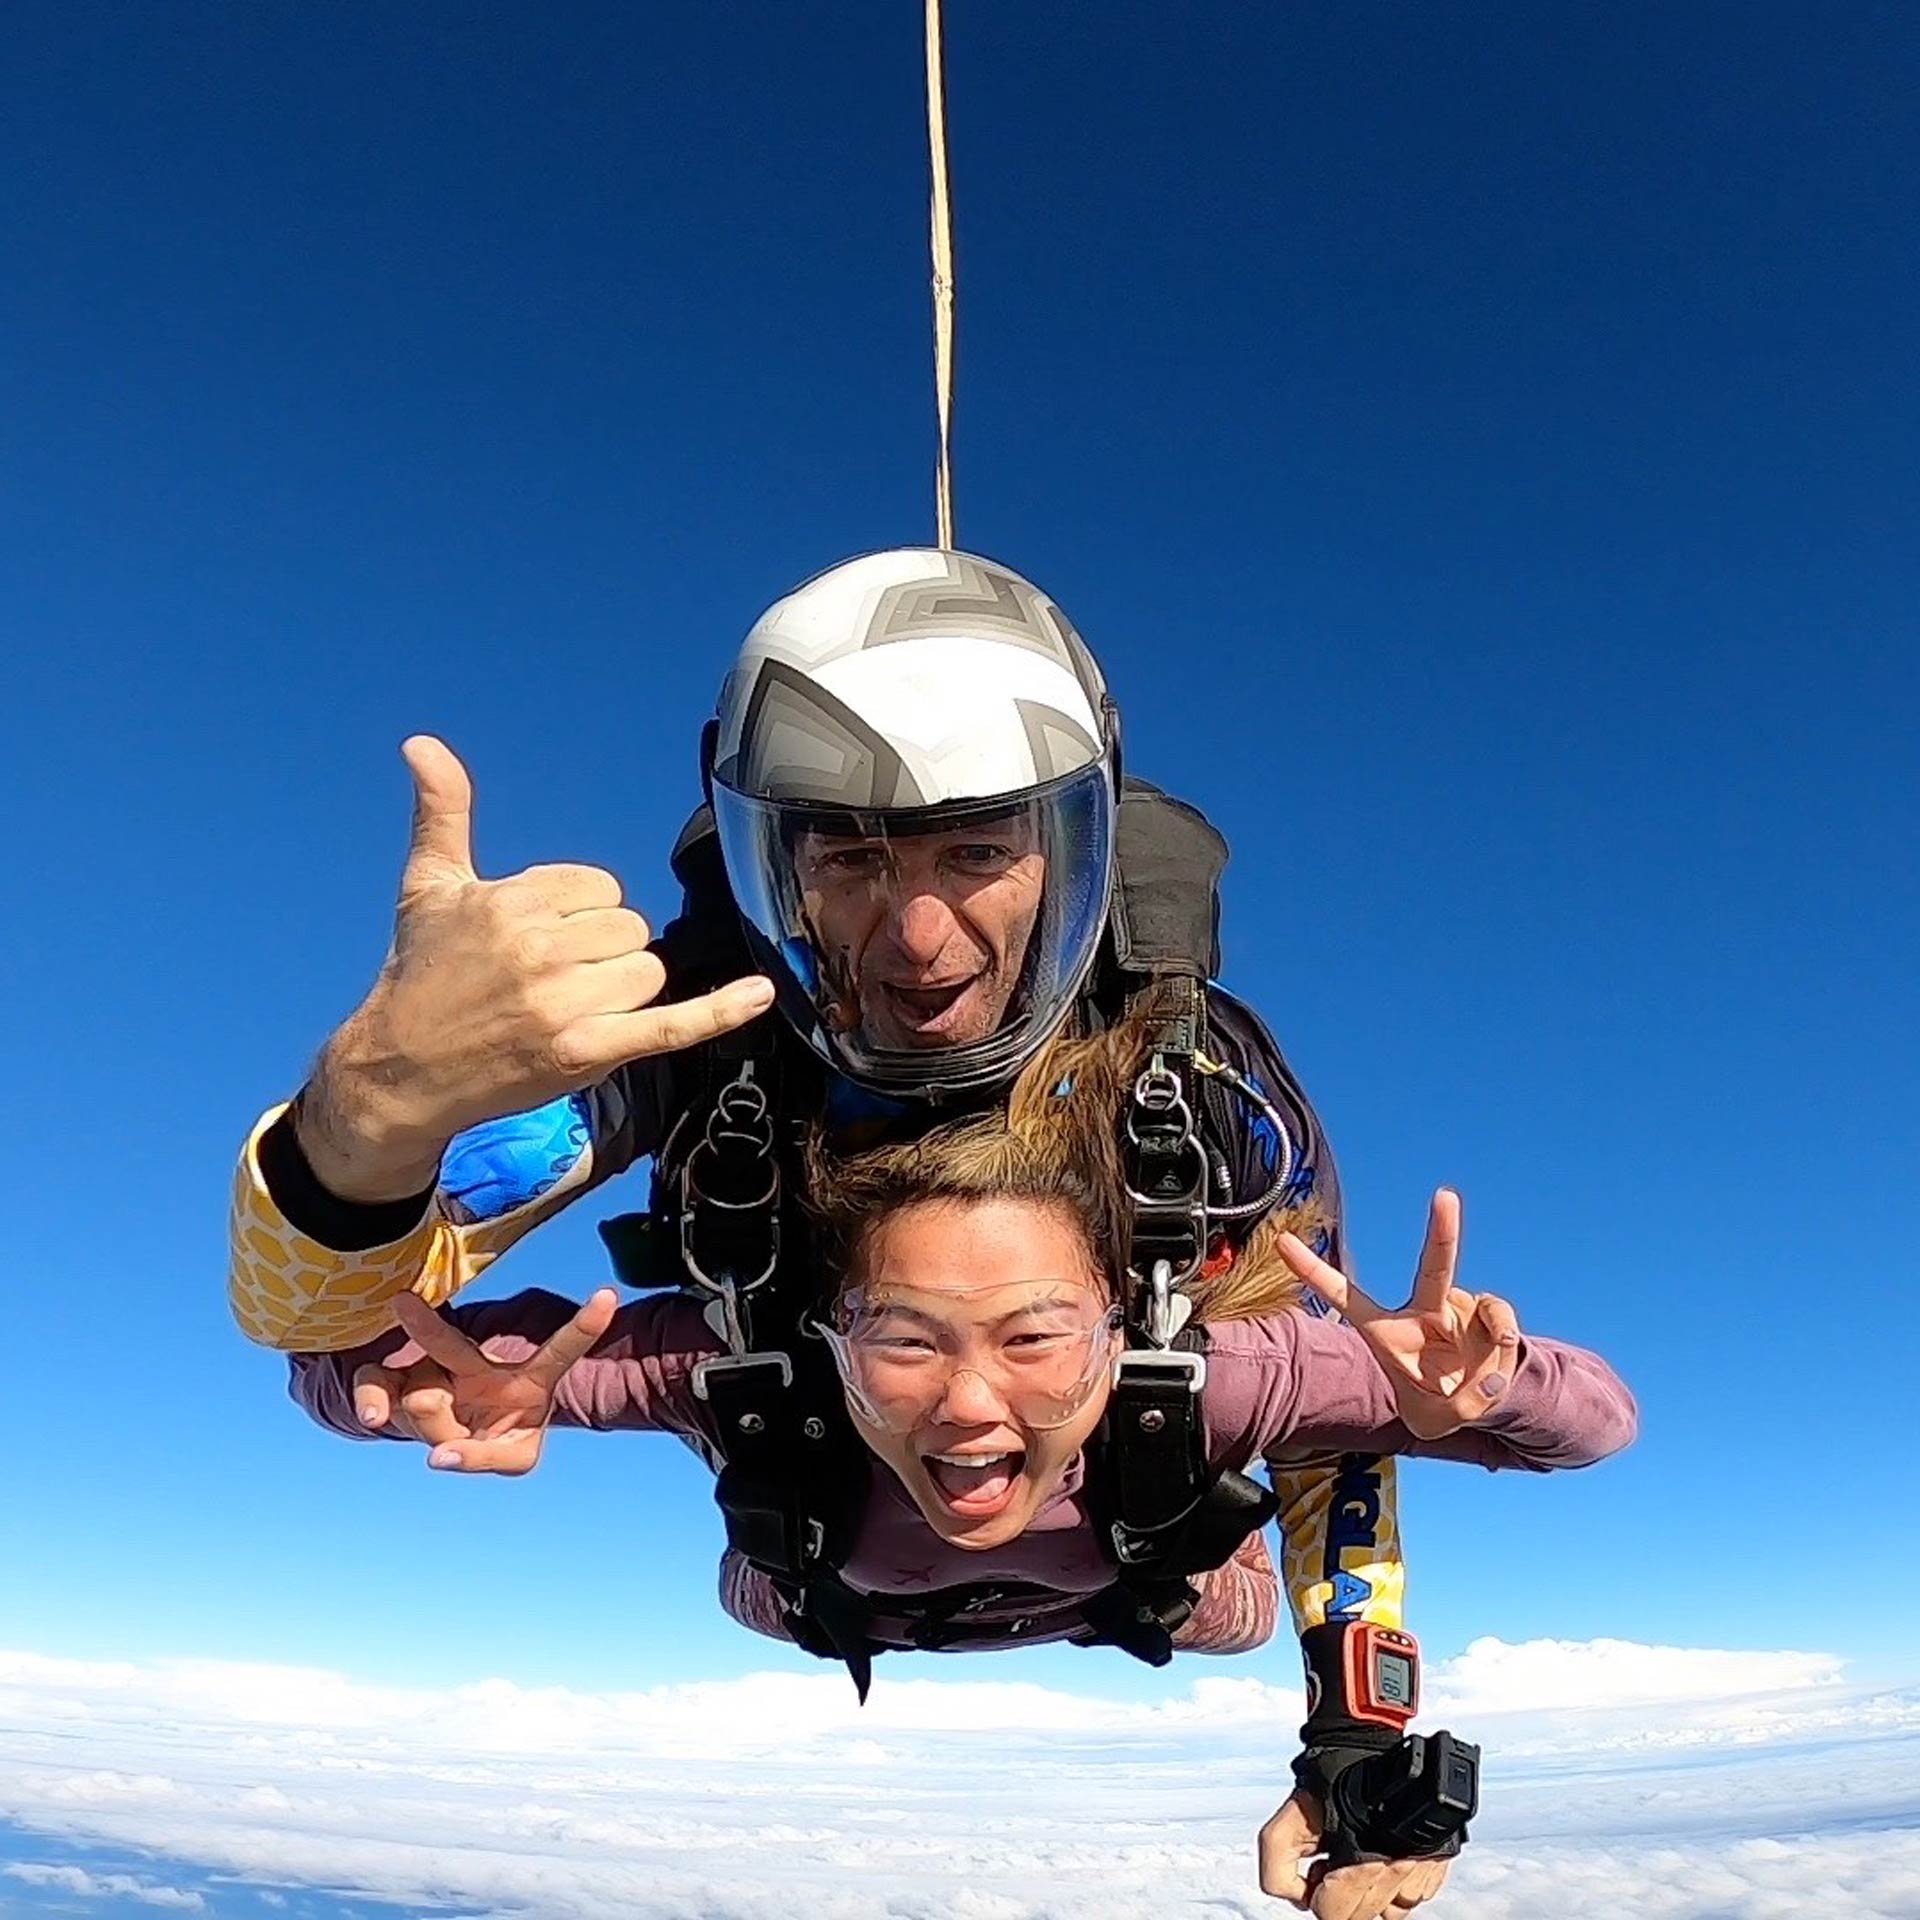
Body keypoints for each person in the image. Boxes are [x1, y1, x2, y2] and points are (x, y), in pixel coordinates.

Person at [228, 549, 1465, 1915]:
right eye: (849, 855)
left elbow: (1331, 1410)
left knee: (1231, 1479)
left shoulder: (1211, 1106)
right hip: (836, 1564)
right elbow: (319, 1331)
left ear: (1074, 851)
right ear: (774, 864)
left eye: (979, 847)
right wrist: (367, 1122)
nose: (919, 938)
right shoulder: (696, 1057)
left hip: (1137, 1567)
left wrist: (1358, 1742)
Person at [285, 1012, 1637, 1920]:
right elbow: (328, 1368)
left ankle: (1289, 1635)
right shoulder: (745, 1370)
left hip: (1138, 1589)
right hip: (839, 1598)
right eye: (906, 1340)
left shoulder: (1217, 1375)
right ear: (830, 1330)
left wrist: (1476, 1390)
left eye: (1036, 1335)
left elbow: (1598, 1422)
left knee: (1300, 1472)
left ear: (1118, 1329)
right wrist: (415, 1385)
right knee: (767, 1576)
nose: (972, 1408)